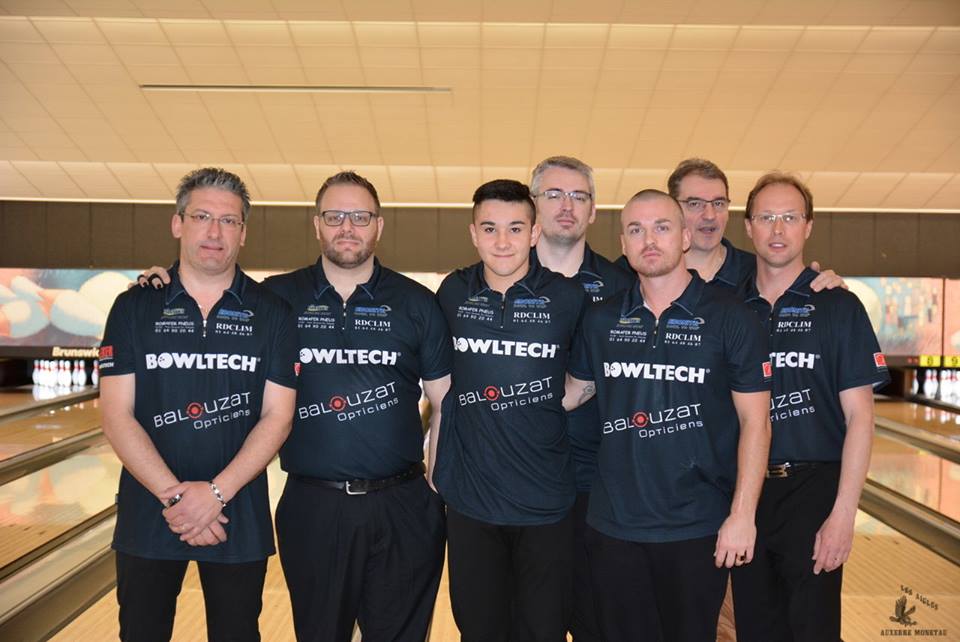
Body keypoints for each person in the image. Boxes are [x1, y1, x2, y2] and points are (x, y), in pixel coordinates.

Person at [140, 171, 451, 642]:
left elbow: (444, 402)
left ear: (379, 225)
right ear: (317, 224)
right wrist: (160, 280)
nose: (347, 227)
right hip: (313, 505)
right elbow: (206, 285)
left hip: (403, 503)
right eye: (335, 216)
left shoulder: (417, 303)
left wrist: (434, 489)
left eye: (360, 216)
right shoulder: (275, 299)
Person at [99, 167, 298, 642]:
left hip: (236, 512)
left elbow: (278, 416)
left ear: (243, 233)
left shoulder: (271, 312)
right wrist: (176, 498)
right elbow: (115, 415)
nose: (214, 232)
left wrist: (215, 495)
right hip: (149, 511)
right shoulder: (133, 308)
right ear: (178, 223)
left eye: (229, 221)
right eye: (202, 217)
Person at [564, 189, 772, 642]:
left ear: (684, 237)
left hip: (697, 526)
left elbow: (757, 422)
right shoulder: (601, 320)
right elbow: (572, 393)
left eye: (661, 227)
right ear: (623, 244)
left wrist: (743, 516)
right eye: (636, 230)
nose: (649, 240)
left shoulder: (731, 318)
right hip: (614, 526)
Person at [731, 173, 890, 642]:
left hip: (814, 492)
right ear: (748, 227)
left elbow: (861, 417)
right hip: (743, 491)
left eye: (790, 217)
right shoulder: (729, 309)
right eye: (766, 217)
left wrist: (844, 515)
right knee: (755, 631)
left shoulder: (838, 306)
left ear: (808, 226)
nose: (778, 229)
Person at [434, 179, 587, 642]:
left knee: (542, 631)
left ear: (535, 233)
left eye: (516, 228)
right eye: (490, 228)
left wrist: (538, 403)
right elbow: (441, 389)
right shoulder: (452, 292)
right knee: (479, 631)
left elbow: (585, 379)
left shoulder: (567, 298)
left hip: (546, 504)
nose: (503, 241)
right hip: (471, 502)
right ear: (473, 234)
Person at [529, 156, 633, 642]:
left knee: (599, 625)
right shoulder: (498, 281)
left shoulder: (623, 287)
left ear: (593, 211)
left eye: (579, 196)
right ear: (533, 205)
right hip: (521, 482)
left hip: (599, 489)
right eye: (553, 194)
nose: (566, 206)